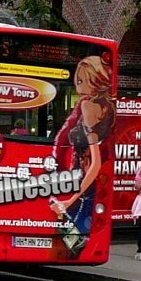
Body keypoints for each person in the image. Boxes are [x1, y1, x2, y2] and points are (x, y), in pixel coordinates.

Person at [50, 55, 115, 257]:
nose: (77, 86)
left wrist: (71, 198)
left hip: (84, 182)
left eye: (80, 81)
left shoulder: (88, 107)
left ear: (93, 80)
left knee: (72, 240)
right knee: (73, 239)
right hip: (87, 181)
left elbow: (94, 163)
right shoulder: (107, 106)